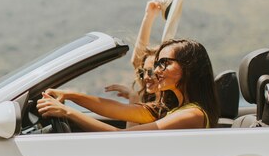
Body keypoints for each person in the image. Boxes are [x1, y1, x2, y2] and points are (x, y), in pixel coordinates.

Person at [37, 39, 220, 131]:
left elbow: (125, 138)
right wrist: (70, 95)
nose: (156, 71)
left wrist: (66, 112)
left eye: (164, 63)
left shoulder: (191, 114)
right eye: (157, 64)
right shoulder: (173, 109)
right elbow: (116, 109)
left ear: (189, 67)